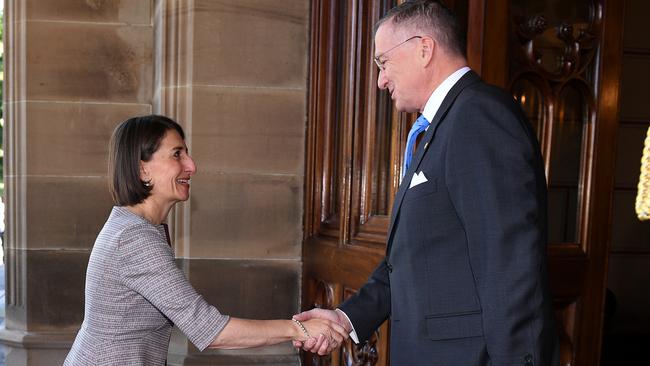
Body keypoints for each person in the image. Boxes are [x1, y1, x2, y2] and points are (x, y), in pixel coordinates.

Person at [294, 1, 560, 365]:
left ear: (424, 49)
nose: (380, 80)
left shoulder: (478, 116)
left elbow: (510, 265)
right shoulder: (439, 127)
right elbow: (409, 260)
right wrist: (347, 318)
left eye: (383, 62)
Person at [64, 115, 347, 365]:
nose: (191, 166)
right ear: (142, 169)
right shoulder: (133, 239)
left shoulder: (137, 227)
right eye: (177, 154)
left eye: (187, 154)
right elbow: (208, 329)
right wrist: (299, 328)